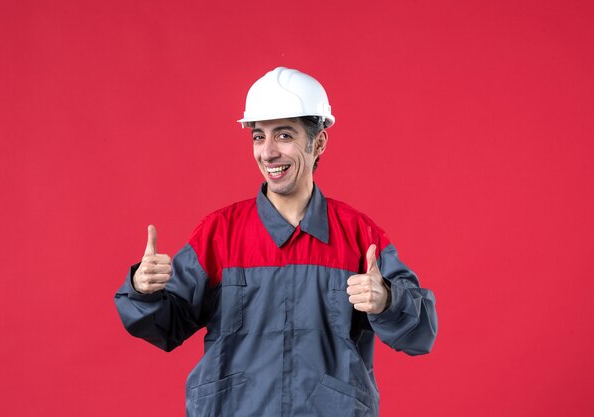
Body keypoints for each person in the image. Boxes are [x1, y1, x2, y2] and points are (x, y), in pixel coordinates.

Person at [115, 67, 437, 417]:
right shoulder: (220, 233)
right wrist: (142, 292)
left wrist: (389, 300)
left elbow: (420, 335)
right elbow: (166, 327)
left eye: (284, 135)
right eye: (258, 136)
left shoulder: (361, 237)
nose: (267, 153)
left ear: (319, 142)